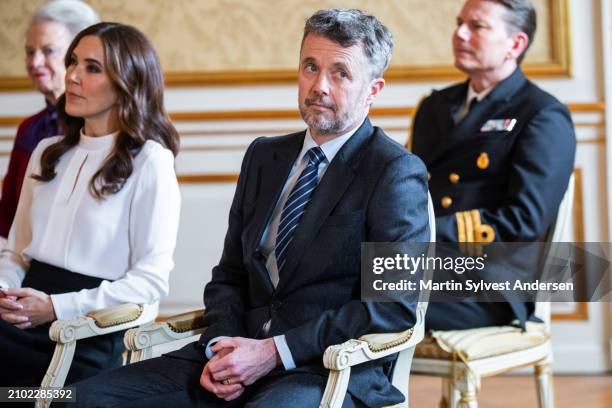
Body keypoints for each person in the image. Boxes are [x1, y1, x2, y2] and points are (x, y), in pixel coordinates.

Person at [69, 9, 430, 408]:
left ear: (373, 89)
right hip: (234, 351)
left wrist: (273, 352)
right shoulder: (264, 156)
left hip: (323, 369)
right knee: (83, 398)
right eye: (310, 66)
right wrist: (223, 346)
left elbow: (391, 307)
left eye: (340, 73)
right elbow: (229, 275)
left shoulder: (395, 171)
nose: (319, 85)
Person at [0, 22, 181, 386]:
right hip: (20, 315)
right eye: (73, 62)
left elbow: (150, 281)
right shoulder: (46, 152)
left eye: (92, 68)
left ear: (126, 82)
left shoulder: (151, 162)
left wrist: (55, 308)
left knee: (12, 395)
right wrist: (5, 291)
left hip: (86, 334)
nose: (72, 76)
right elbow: (17, 252)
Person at [409, 0, 576, 330]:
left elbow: (523, 222)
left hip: (489, 283)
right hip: (426, 260)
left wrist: (424, 234)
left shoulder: (541, 114)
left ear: (516, 44)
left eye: (477, 26)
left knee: (359, 291)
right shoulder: (435, 107)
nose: (459, 34)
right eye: (459, 23)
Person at [0, 0, 99, 242]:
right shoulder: (29, 129)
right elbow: (7, 216)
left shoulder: (99, 129)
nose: (34, 63)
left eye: (48, 50)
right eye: (30, 51)